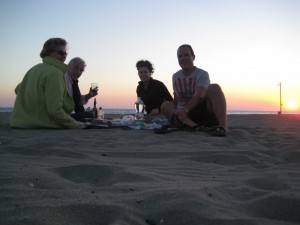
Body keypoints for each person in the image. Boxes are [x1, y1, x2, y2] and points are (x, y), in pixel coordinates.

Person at [10, 38, 82, 129]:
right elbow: (54, 110)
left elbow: (18, 89)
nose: (64, 56)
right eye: (61, 53)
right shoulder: (55, 73)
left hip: (20, 123)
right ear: (49, 52)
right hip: (40, 124)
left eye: (65, 53)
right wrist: (74, 123)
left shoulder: (34, 69)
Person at [161, 44, 227, 136]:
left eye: (186, 55)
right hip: (183, 114)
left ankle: (222, 127)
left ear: (193, 57)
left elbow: (199, 96)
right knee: (165, 105)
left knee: (214, 87)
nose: (183, 58)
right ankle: (192, 125)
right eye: (180, 56)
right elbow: (176, 99)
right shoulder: (175, 76)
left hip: (198, 110)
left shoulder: (202, 74)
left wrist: (185, 110)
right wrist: (172, 110)